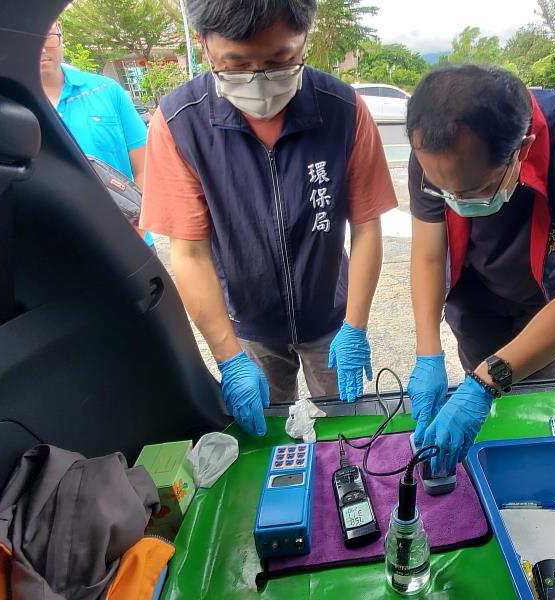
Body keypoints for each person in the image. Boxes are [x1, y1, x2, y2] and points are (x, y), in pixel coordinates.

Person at [140, 0, 397, 436]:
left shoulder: (343, 111)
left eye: (280, 60)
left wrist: (355, 324)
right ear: (204, 44)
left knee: (349, 436)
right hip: (249, 327)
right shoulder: (179, 123)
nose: (259, 81)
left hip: (331, 320)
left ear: (304, 38)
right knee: (268, 438)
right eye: (236, 65)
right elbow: (188, 253)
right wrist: (229, 356)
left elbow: (367, 227)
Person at [407, 65, 555, 475]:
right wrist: (427, 352)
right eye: (444, 190)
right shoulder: (433, 140)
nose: (455, 200)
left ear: (522, 150)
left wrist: (483, 384)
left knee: (525, 397)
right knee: (476, 375)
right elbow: (428, 254)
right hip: (474, 292)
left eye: (473, 191)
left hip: (546, 303)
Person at [39, 22, 155, 248]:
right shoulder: (10, 105)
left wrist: (135, 234)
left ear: (60, 32)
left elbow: (146, 168)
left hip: (132, 243)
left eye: (48, 35)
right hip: (54, 254)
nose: (41, 47)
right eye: (30, 38)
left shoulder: (106, 91)